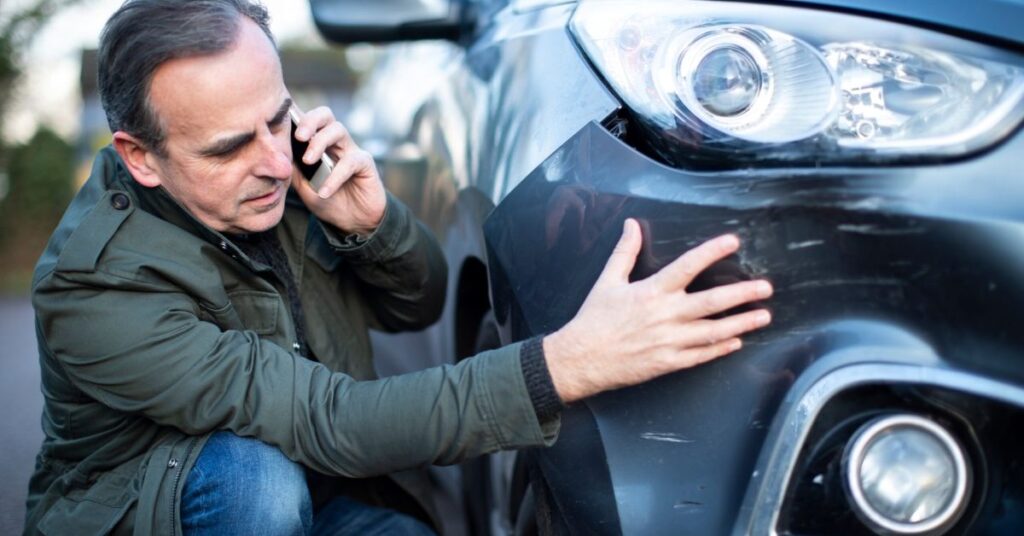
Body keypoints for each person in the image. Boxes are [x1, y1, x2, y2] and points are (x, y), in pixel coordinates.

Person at [23, 1, 775, 534]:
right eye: (229, 148)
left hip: (320, 492)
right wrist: (566, 365)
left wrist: (372, 227)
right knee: (256, 485)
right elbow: (330, 421)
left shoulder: (281, 186)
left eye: (280, 118)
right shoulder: (94, 287)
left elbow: (420, 306)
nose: (277, 163)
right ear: (140, 158)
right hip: (177, 511)